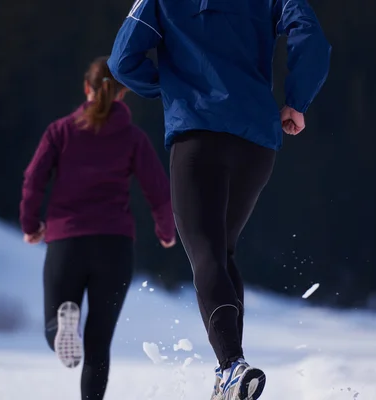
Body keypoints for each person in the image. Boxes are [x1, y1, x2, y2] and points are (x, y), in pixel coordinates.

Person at [107, 0, 331, 398]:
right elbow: (309, 33)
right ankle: (230, 375)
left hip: (197, 135)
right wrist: (297, 100)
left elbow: (123, 60)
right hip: (256, 141)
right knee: (222, 253)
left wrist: (169, 87)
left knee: (207, 253)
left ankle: (231, 365)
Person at [19, 55, 176, 400]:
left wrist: (31, 224)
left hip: (66, 244)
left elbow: (34, 180)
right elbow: (159, 192)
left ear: (86, 88)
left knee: (54, 327)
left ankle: (62, 327)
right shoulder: (133, 137)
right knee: (99, 343)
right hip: (115, 246)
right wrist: (166, 232)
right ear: (123, 93)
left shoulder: (60, 131)